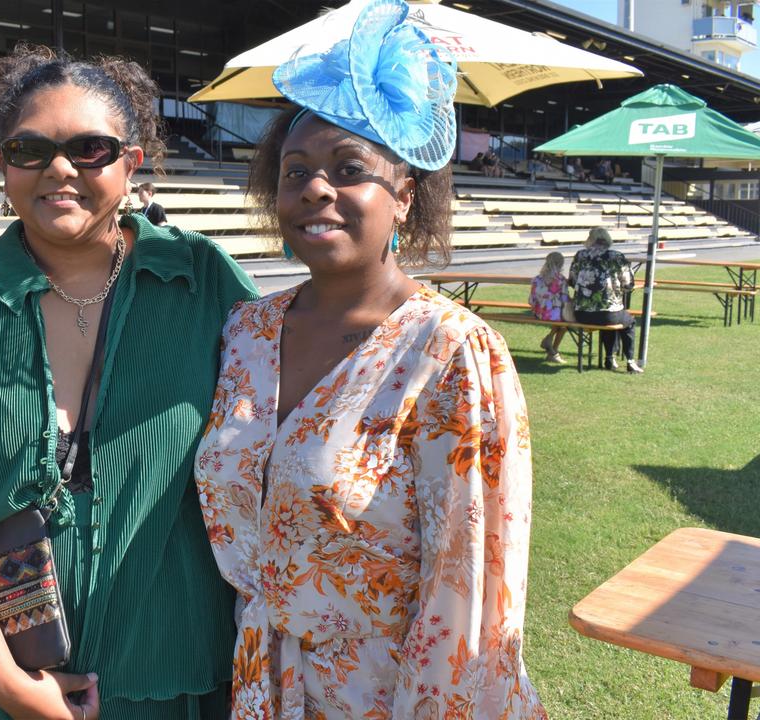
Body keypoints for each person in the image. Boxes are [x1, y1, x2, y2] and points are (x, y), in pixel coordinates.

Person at [0, 43, 257, 720]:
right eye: (29, 150)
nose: (59, 169)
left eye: (90, 149)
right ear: (2, 166)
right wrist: (12, 687)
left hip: (173, 678)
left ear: (132, 164)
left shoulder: (205, 282)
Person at [193, 0, 547, 717]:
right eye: (295, 173)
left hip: (386, 697)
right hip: (259, 686)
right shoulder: (244, 333)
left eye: (348, 169)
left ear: (405, 198)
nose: (316, 188)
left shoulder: (450, 352)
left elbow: (466, 589)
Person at [569, 226, 640, 372]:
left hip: (582, 314)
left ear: (590, 240)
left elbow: (572, 281)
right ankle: (630, 361)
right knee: (628, 320)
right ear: (607, 240)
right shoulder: (616, 257)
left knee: (610, 316)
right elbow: (628, 284)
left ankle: (609, 358)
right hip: (609, 314)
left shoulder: (580, 255)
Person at [531, 251, 569, 363]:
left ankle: (550, 342)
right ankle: (553, 350)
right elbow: (564, 300)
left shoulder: (537, 279)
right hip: (553, 314)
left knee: (560, 320)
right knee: (564, 324)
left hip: (539, 313)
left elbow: (531, 300)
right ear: (561, 265)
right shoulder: (561, 279)